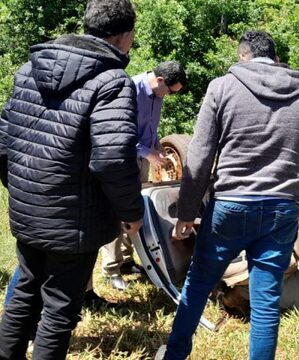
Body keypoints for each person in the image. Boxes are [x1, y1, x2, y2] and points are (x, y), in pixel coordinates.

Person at [161, 30, 299, 360]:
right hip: (282, 210)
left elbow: (198, 156)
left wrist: (185, 213)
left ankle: (174, 355)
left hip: (230, 205)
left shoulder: (223, 87)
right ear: (276, 58)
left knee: (198, 285)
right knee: (266, 303)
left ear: (243, 56)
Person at [0, 0, 144, 358]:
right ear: (125, 35)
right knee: (60, 310)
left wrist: (20, 187)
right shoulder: (111, 81)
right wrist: (132, 211)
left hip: (28, 206)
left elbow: (3, 141)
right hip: (74, 220)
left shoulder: (29, 68)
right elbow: (112, 159)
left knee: (25, 293)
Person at [101, 61, 187, 290]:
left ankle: (127, 261)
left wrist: (156, 145)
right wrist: (148, 153)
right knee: (118, 211)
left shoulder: (157, 94)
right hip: (124, 159)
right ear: (159, 80)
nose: (168, 96)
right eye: (169, 91)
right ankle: (111, 269)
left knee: (135, 210)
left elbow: (149, 127)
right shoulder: (129, 88)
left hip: (143, 159)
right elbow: (119, 130)